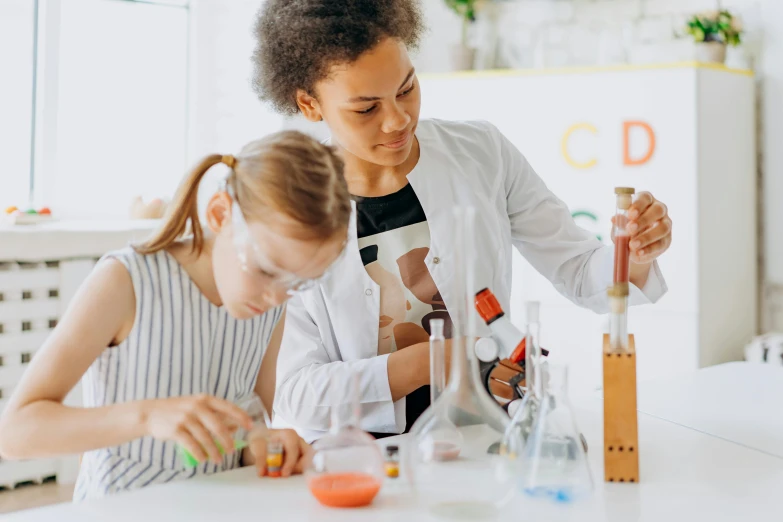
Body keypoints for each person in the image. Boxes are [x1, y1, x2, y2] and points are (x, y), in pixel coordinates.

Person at [252, 0, 673, 442]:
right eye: (366, 109)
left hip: (484, 440)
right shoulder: (292, 204)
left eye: (407, 88)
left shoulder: (481, 152)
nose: (397, 120)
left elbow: (581, 269)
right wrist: (431, 362)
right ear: (309, 103)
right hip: (364, 458)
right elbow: (294, 393)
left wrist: (636, 251)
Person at [0, 131, 351, 500]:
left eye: (298, 282)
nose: (277, 295)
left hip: (217, 507)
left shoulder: (269, 301)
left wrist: (263, 440)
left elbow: (250, 419)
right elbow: (15, 434)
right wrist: (148, 417)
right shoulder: (125, 282)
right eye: (266, 269)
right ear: (220, 215)